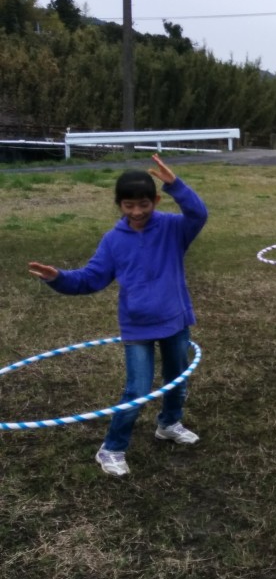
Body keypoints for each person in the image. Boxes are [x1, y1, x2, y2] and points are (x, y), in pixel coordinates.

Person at [28, 155, 208, 477]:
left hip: (175, 319)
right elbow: (90, 278)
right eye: (128, 206)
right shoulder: (113, 241)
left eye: (143, 204)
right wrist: (58, 277)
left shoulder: (173, 228)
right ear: (119, 205)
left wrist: (175, 185)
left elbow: (198, 213)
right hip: (137, 326)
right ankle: (111, 448)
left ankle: (168, 423)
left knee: (176, 382)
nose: (136, 212)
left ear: (154, 200)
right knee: (137, 390)